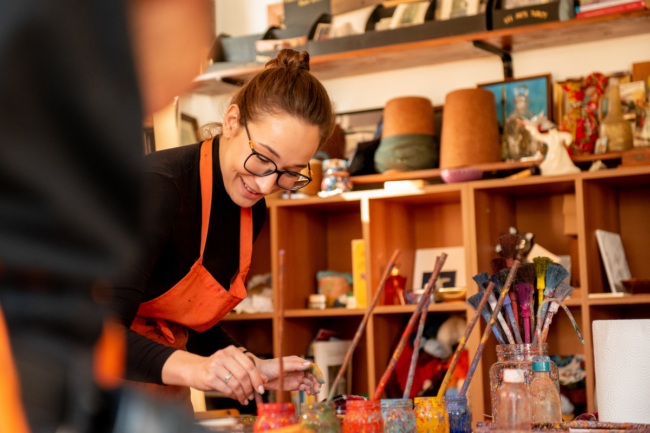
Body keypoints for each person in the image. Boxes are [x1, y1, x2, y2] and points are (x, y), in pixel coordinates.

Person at [111, 48, 336, 408]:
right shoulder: (159, 189)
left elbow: (187, 325)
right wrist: (200, 371)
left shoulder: (250, 209)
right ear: (232, 121)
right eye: (262, 158)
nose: (266, 186)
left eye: (291, 172)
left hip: (158, 400)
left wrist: (253, 367)